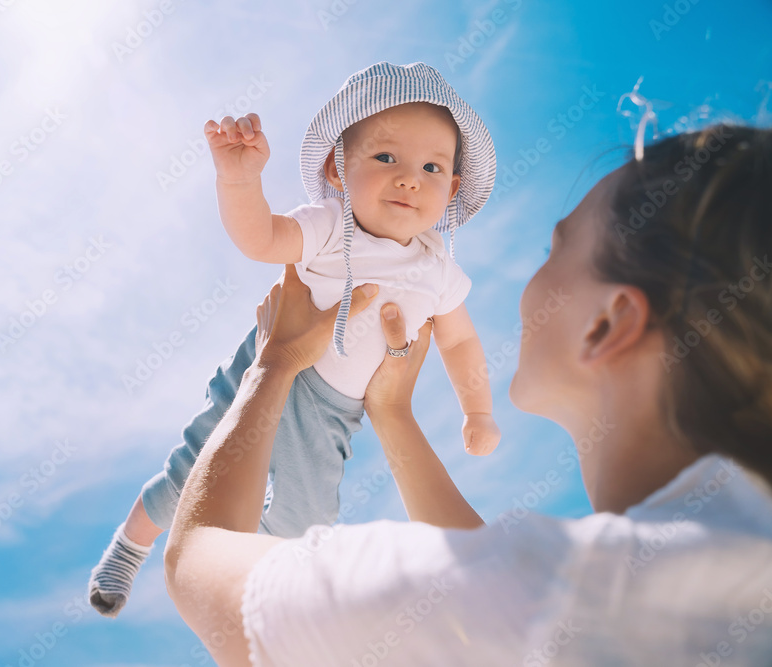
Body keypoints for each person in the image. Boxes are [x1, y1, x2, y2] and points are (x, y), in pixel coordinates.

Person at [163, 124, 772, 666]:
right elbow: (486, 570)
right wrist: (393, 412)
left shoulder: (580, 595)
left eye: (555, 250)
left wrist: (274, 362)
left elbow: (196, 561)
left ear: (605, 325)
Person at [88, 62, 503, 617]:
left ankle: (258, 598)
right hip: (264, 366)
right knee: (193, 471)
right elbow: (262, 239)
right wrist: (239, 182)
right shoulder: (332, 225)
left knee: (306, 517)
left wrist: (478, 411)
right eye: (386, 158)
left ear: (451, 189)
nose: (409, 178)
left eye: (432, 167)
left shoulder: (439, 269)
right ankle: (130, 545)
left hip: (333, 409)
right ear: (338, 168)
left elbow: (458, 344)